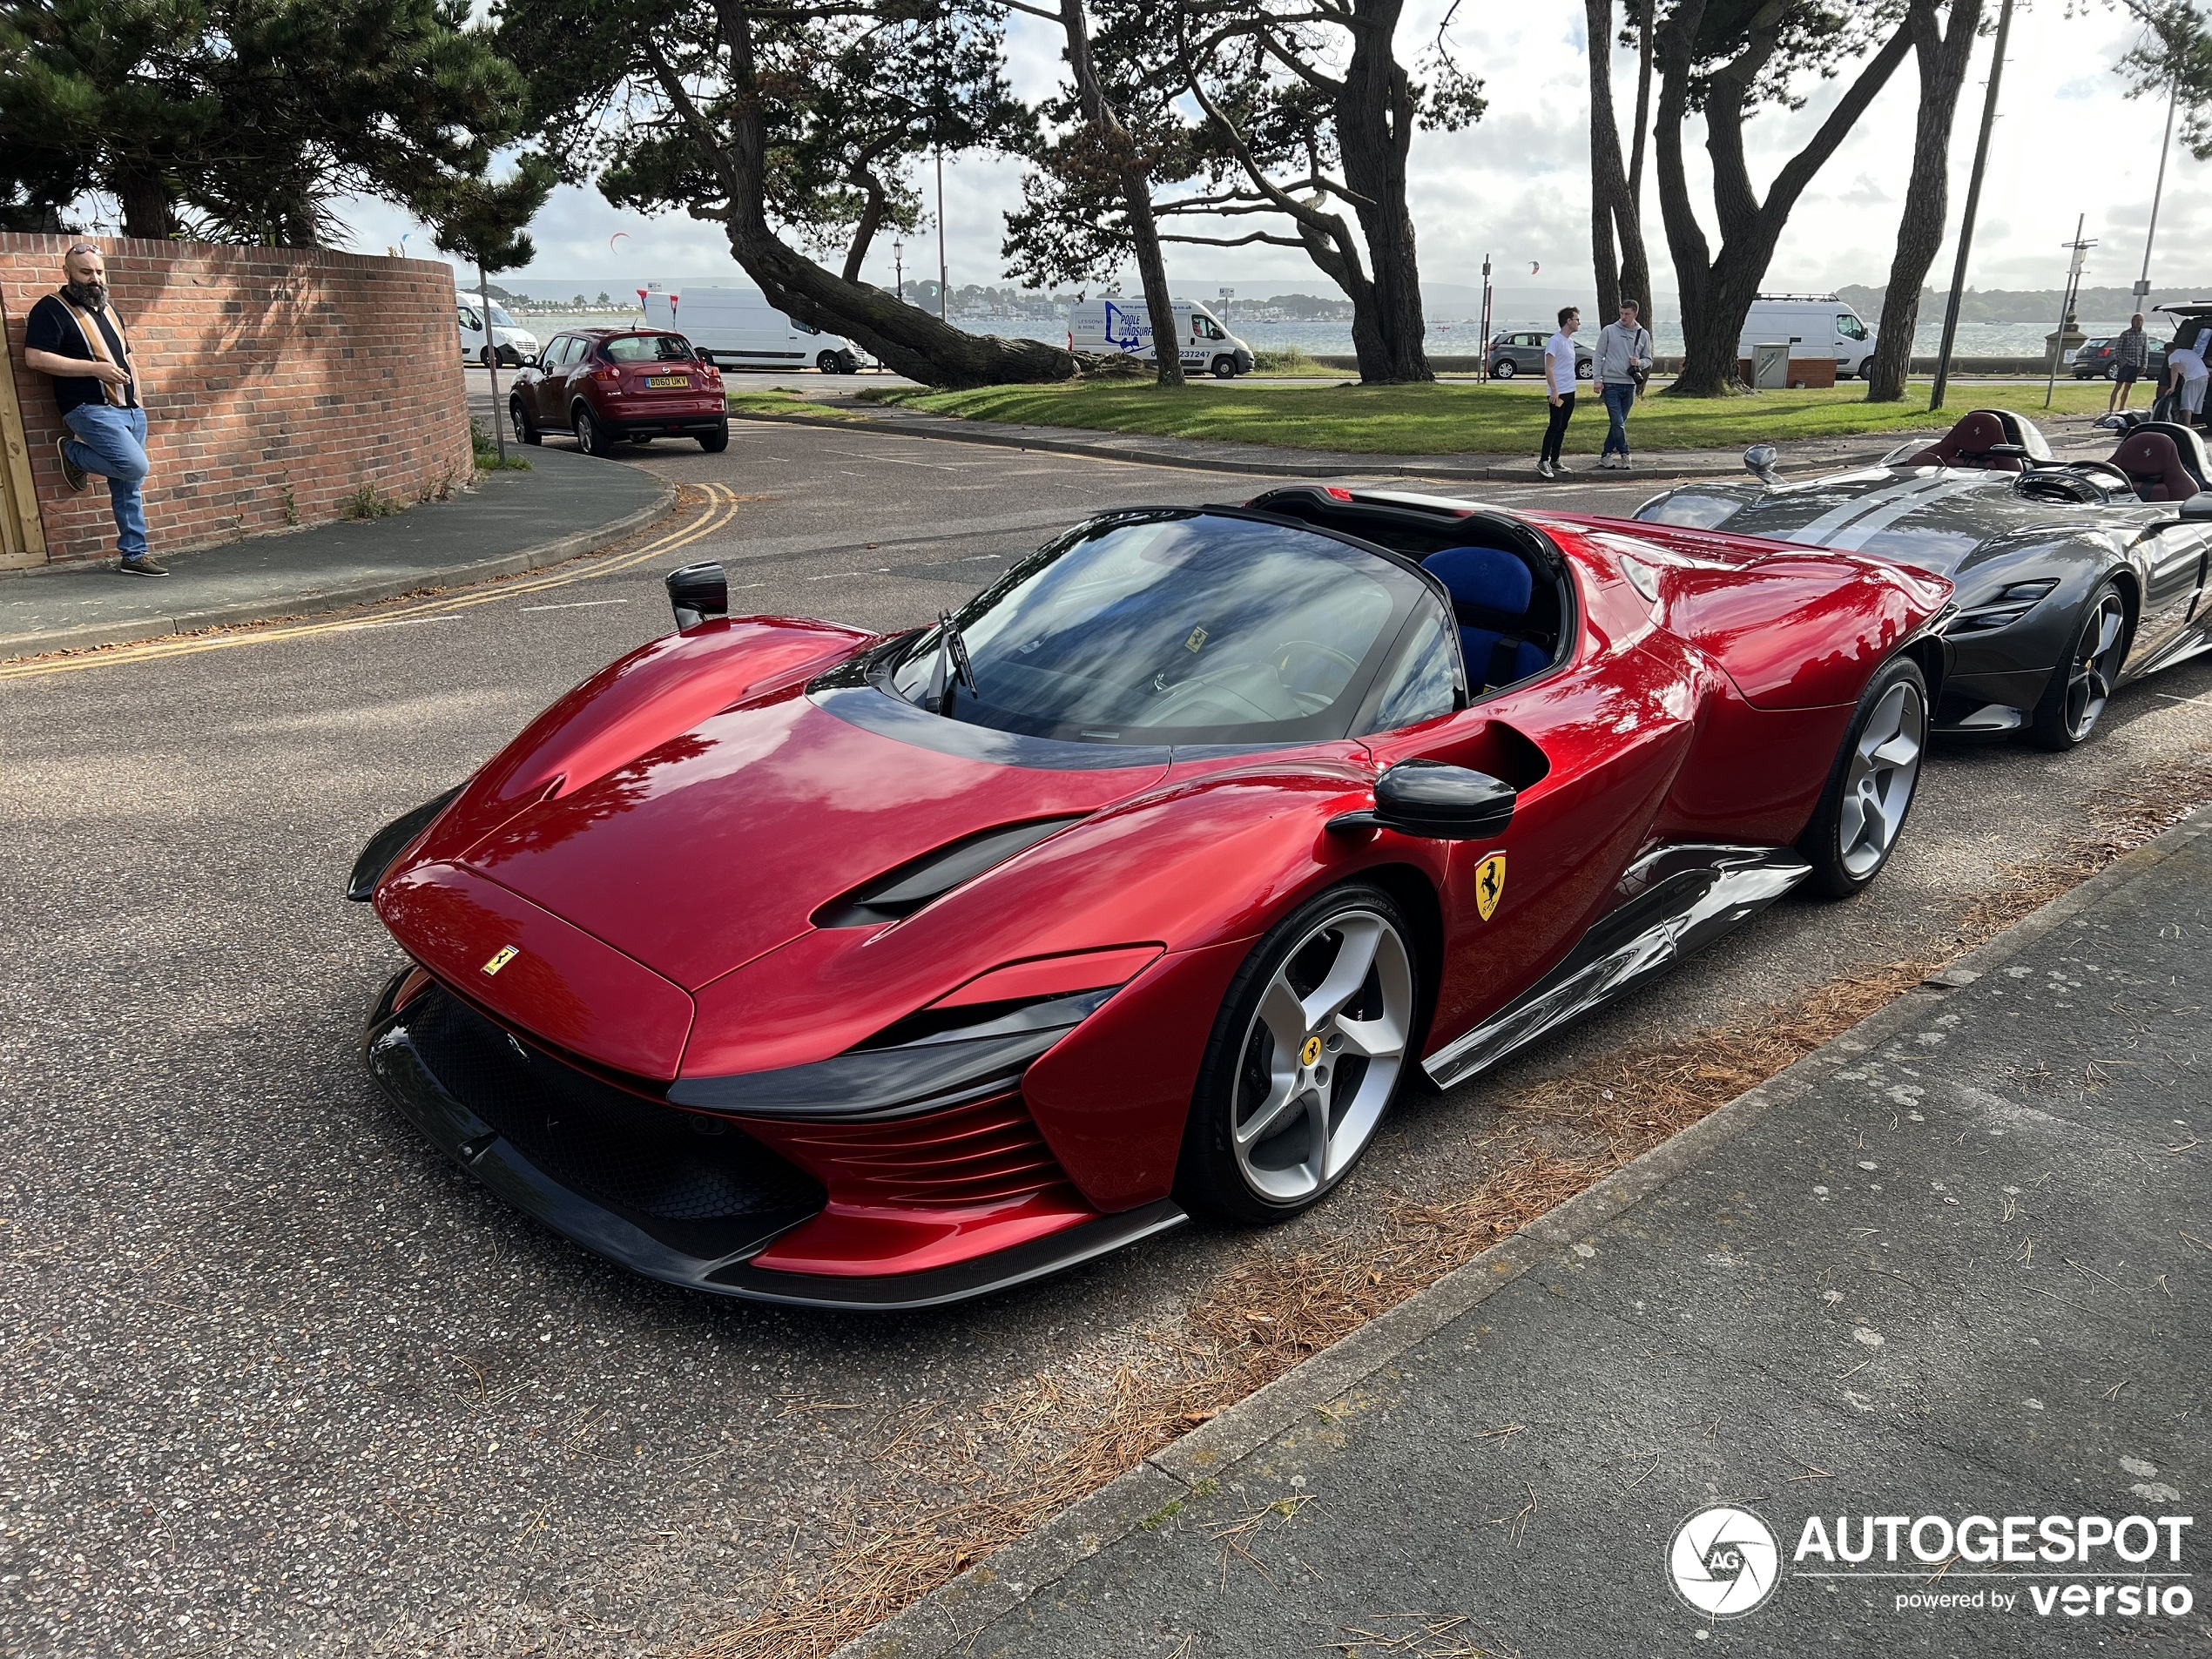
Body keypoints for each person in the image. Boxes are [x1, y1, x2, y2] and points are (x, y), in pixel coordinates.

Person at [22, 244, 163, 576]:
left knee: (128, 484)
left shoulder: (109, 310)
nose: (95, 279)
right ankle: (73, 453)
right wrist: (93, 369)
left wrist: (137, 399)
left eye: (99, 271)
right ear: (67, 272)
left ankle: (134, 556)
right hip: (89, 408)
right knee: (133, 467)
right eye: (86, 272)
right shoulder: (50, 309)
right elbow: (35, 358)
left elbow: (127, 356)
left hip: (129, 409)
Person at [1590, 300, 1655, 469]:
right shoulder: (1609, 331)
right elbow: (1598, 355)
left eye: (1627, 314)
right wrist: (1597, 379)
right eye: (1621, 313)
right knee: (1617, 421)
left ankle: (1606, 455)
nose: (1623, 317)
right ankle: (1626, 454)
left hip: (1630, 384)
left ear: (1635, 314)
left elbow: (1648, 359)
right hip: (1611, 383)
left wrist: (1638, 362)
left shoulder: (1643, 334)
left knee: (1619, 423)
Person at [1537, 307, 1580, 480]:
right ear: (1568, 321)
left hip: (1570, 390)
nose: (1578, 323)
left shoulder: (1569, 342)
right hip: (1558, 391)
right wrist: (1554, 389)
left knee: (1563, 427)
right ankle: (1543, 460)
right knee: (1554, 426)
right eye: (1576, 319)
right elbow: (1549, 367)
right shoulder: (1555, 341)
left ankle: (1555, 459)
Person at [2165, 336, 2209, 430]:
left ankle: (2186, 428)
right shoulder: (2188, 352)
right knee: (2194, 404)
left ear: (2167, 352)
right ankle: (2192, 424)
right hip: (2205, 377)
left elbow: (2175, 369)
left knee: (2187, 404)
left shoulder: (2173, 356)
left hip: (2193, 378)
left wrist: (2172, 387)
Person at [2109, 314, 2150, 415]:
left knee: (2128, 387)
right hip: (2126, 364)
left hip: (2136, 365)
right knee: (2118, 386)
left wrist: (2144, 365)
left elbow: (2145, 350)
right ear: (2132, 321)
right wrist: (2123, 361)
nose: (2138, 322)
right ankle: (2110, 409)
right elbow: (2118, 349)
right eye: (2136, 320)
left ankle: (2122, 408)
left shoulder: (2143, 335)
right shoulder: (2126, 334)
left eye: (2140, 320)